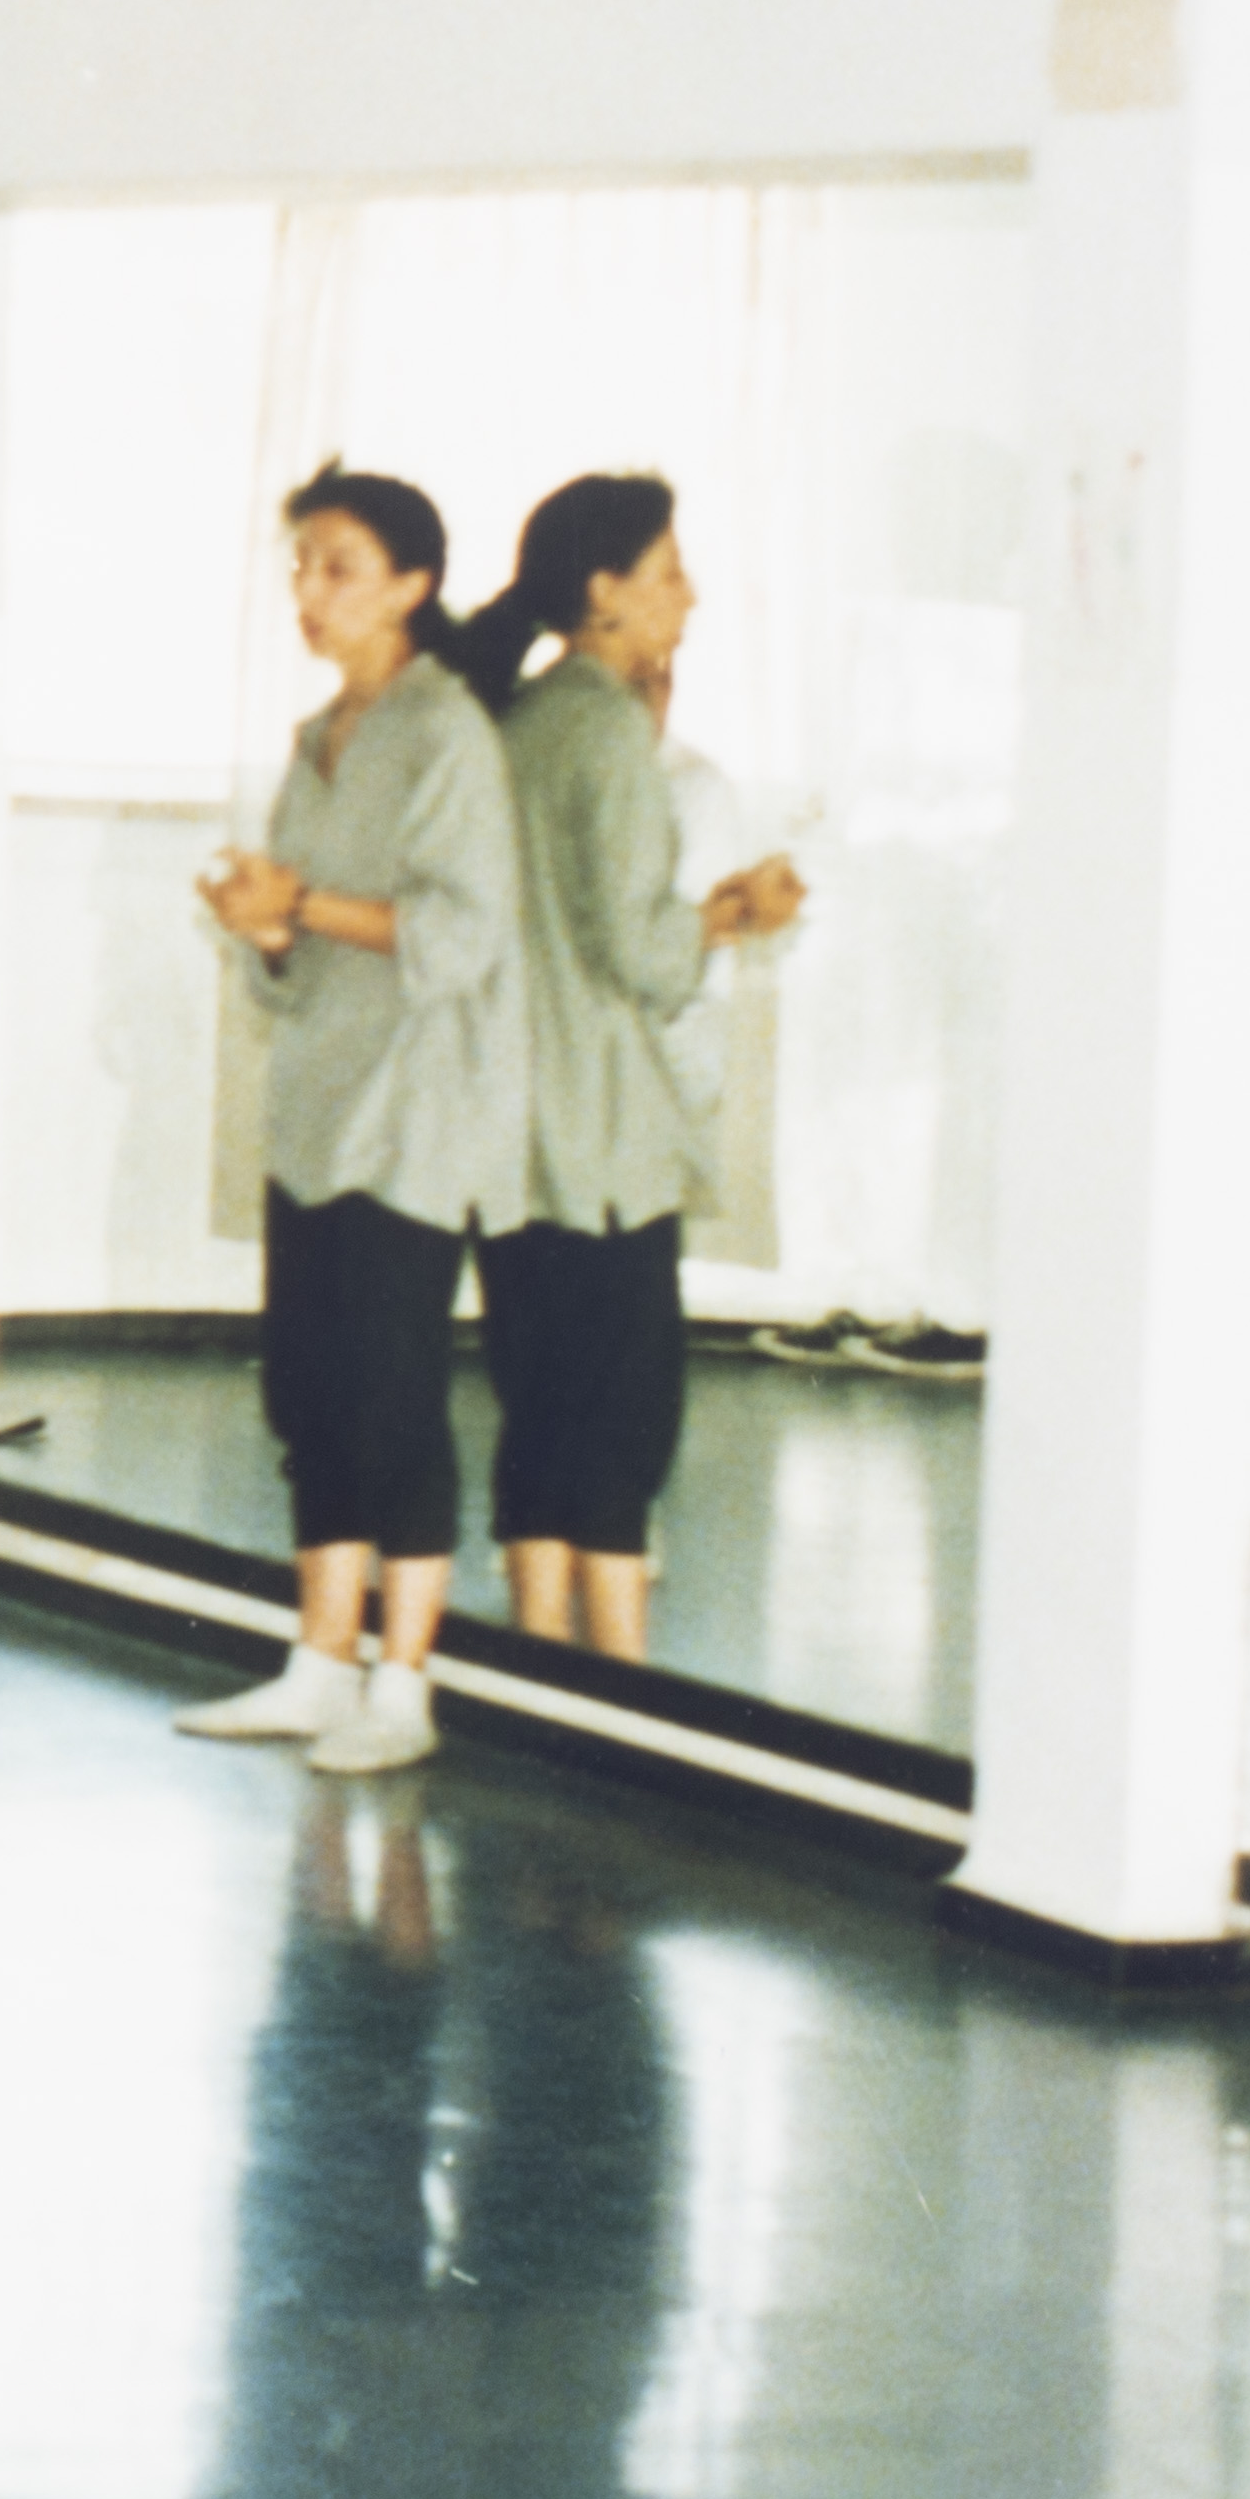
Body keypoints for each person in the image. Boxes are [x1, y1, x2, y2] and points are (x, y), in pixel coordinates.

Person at [180, 463, 531, 1774]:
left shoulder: (447, 731)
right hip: (318, 1103)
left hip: (414, 1110)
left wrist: (301, 905)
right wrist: (265, 925)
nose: (309, 592)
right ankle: (318, 1661)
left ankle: (403, 1682)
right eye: (300, 567)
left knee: (392, 1393)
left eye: (338, 568)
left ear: (410, 585)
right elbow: (292, 952)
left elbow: (461, 934)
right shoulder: (315, 736)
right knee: (309, 1388)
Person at [462, 475, 800, 1662]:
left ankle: (540, 1658)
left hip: (516, 1125)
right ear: (602, 591)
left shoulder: (518, 717)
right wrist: (735, 911)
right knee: (620, 1411)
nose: (687, 596)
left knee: (539, 1401)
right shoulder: (606, 729)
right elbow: (643, 953)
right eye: (667, 572)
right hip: (599, 1132)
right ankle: (615, 1683)